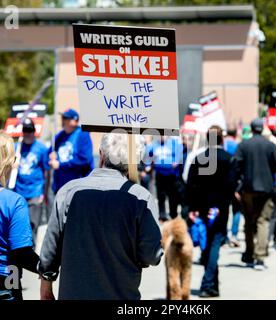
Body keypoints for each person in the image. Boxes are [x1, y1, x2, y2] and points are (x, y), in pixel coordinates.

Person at [38, 133, 162, 300]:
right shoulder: (141, 198)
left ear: (101, 154)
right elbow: (151, 255)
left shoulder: (69, 191)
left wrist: (46, 285)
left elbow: (49, 251)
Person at [186, 126, 236, 297]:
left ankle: (213, 285)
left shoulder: (198, 158)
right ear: (221, 139)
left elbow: (191, 185)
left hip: (201, 208)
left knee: (207, 245)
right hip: (219, 209)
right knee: (214, 243)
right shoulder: (229, 159)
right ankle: (208, 285)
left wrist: (192, 208)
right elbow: (231, 187)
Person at [234, 118, 276, 270]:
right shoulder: (270, 145)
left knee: (249, 221)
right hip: (266, 190)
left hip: (247, 189)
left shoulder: (243, 145)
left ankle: (249, 254)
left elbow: (236, 165)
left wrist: (237, 186)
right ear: (262, 129)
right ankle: (260, 257)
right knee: (263, 221)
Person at [0, 131, 39, 301]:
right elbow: (21, 253)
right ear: (7, 162)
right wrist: (47, 268)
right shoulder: (13, 202)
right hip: (7, 282)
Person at [14, 118, 50, 242]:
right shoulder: (16, 147)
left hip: (35, 192)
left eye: (30, 130)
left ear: (34, 131)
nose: (28, 133)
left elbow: (47, 172)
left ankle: (31, 254)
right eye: (25, 130)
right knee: (19, 226)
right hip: (18, 192)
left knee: (32, 225)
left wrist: (44, 194)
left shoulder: (41, 148)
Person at [49, 108, 94, 194]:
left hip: (78, 188)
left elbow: (84, 159)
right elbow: (48, 156)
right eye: (62, 117)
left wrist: (60, 165)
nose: (62, 120)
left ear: (75, 121)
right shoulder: (59, 136)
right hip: (60, 187)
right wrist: (51, 156)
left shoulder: (82, 134)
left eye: (65, 118)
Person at [147, 136, 184, 220]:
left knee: (172, 196)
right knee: (161, 196)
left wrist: (177, 161)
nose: (161, 137)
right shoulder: (154, 144)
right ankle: (162, 215)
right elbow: (149, 154)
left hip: (171, 175)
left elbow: (180, 151)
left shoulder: (174, 143)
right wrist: (149, 164)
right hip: (160, 174)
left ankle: (173, 214)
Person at [224, 126, 241, 247]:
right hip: (234, 183)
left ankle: (223, 235)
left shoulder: (222, 145)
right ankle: (234, 235)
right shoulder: (237, 146)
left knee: (224, 210)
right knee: (236, 210)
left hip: (222, 183)